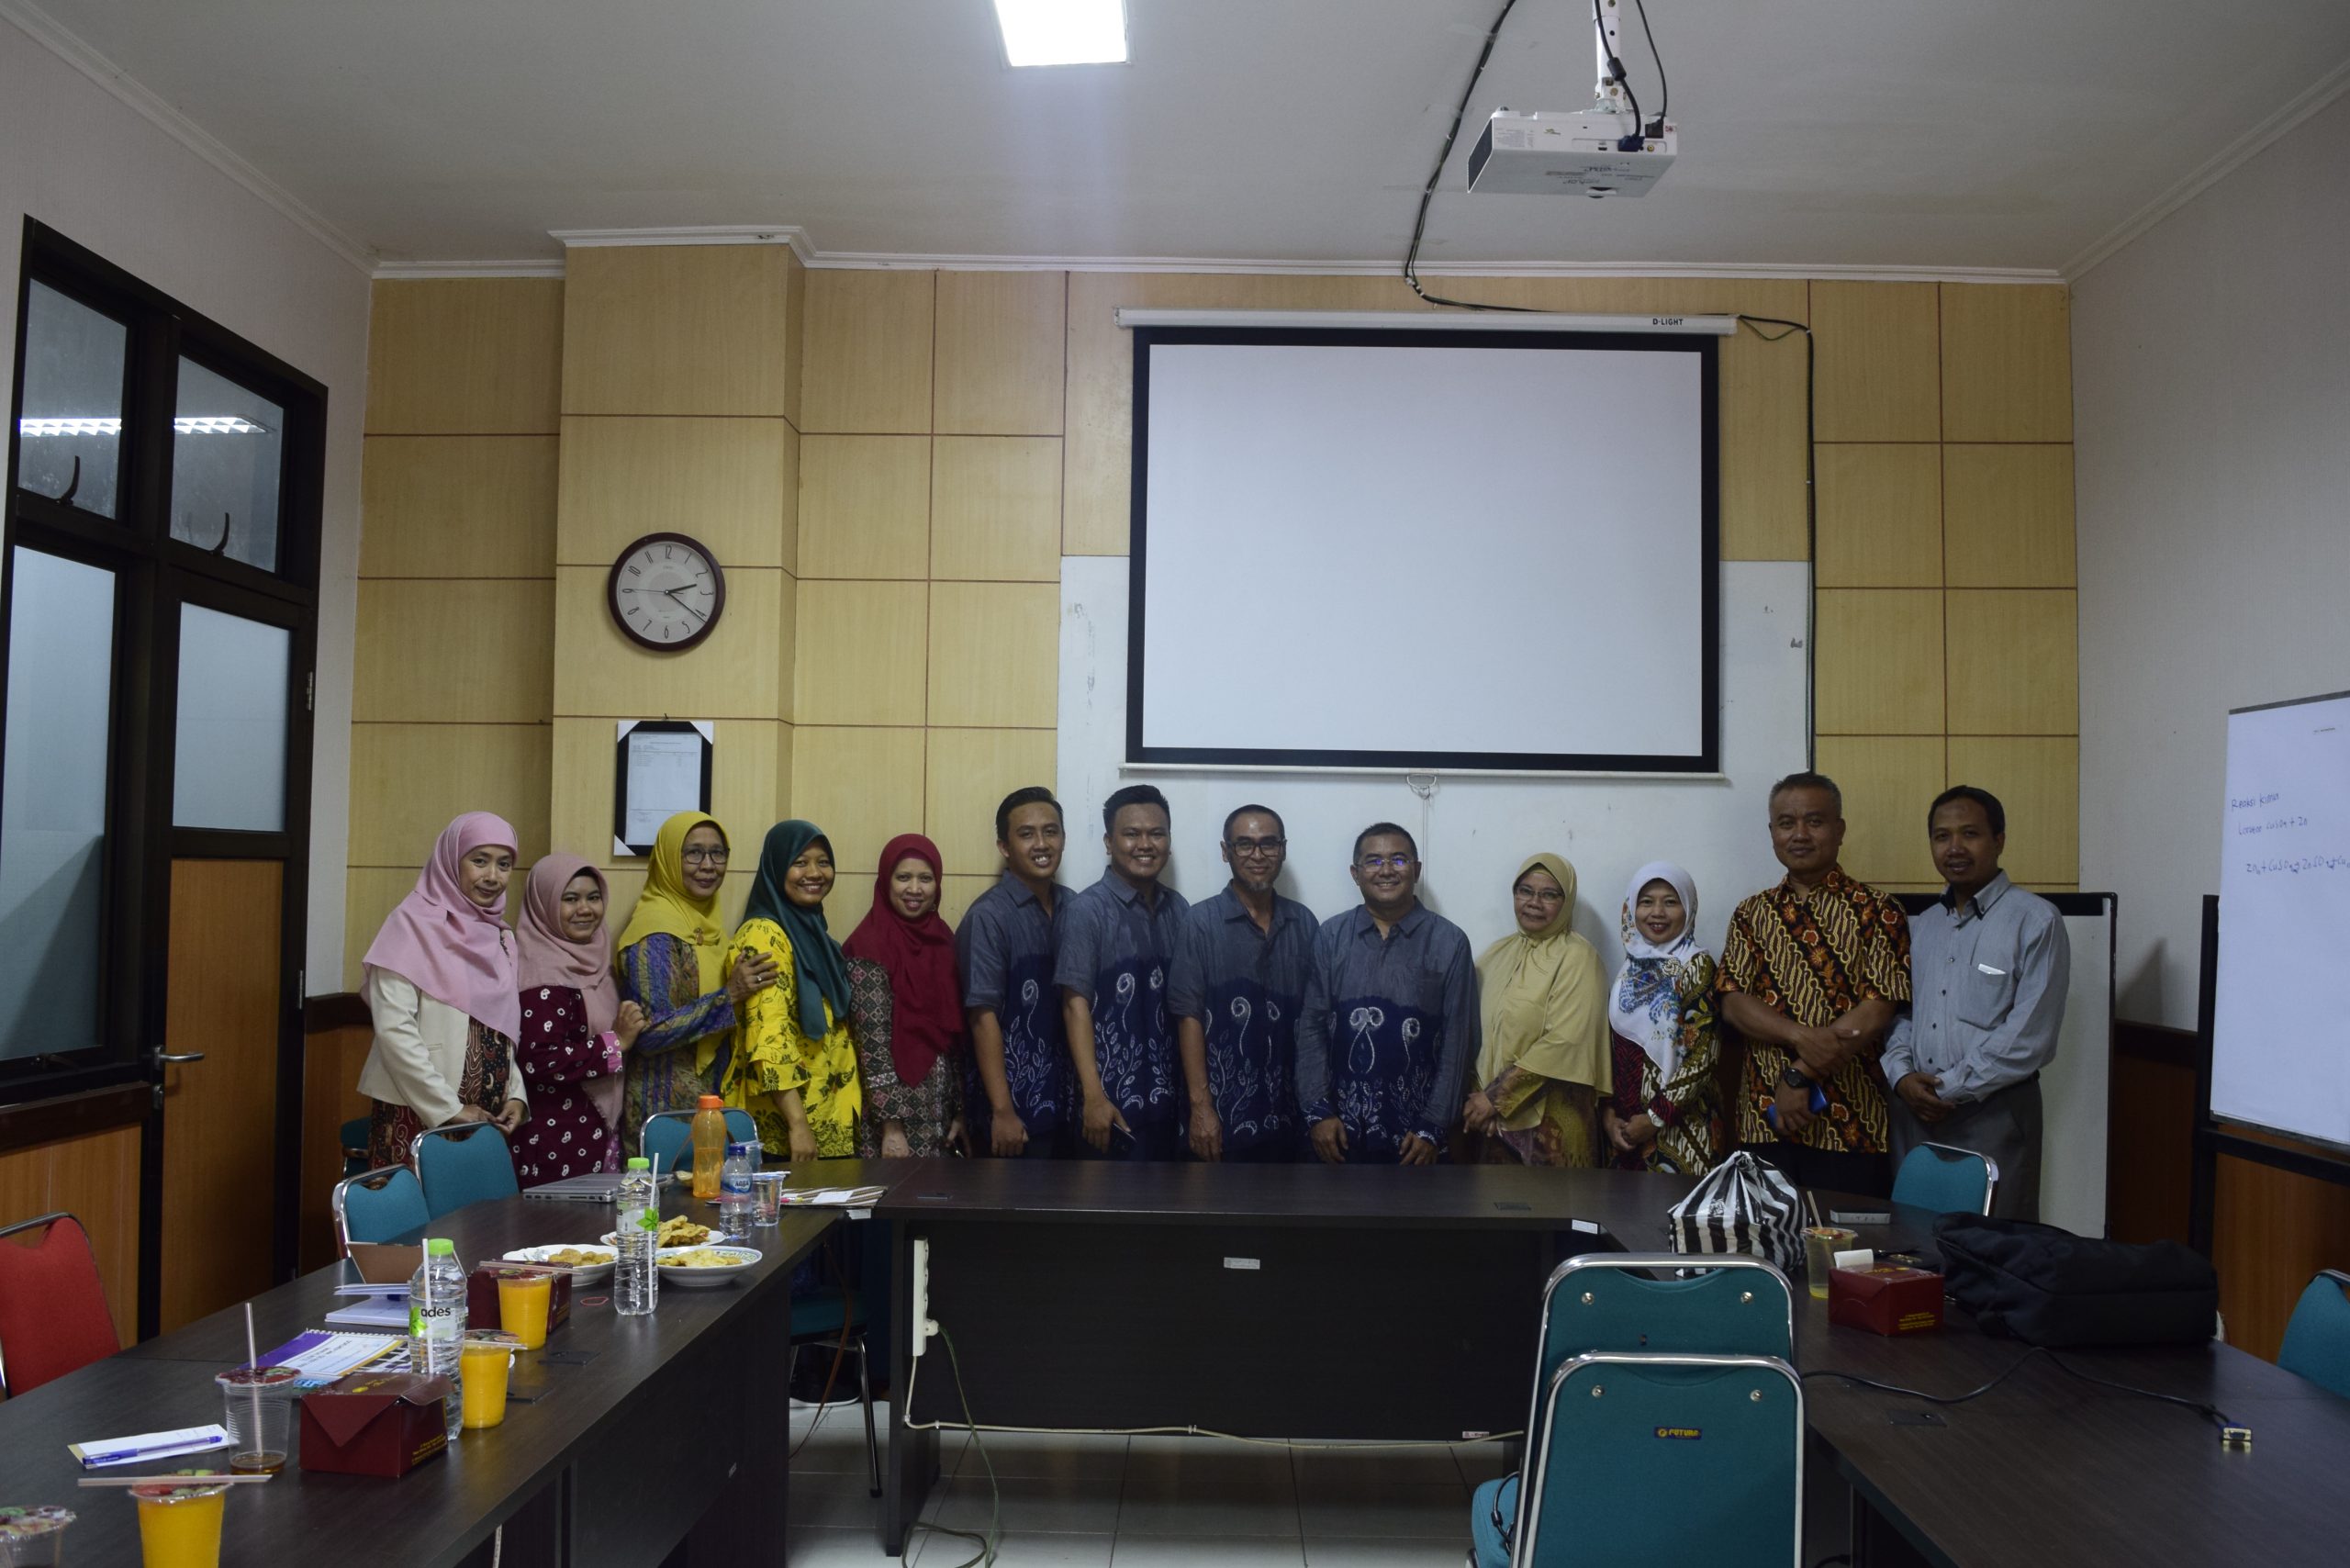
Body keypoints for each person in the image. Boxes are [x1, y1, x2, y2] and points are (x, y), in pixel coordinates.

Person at [1717, 772, 1912, 1196]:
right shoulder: (1752, 913)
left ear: (1839, 829)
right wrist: (1800, 1037)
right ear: (1772, 832)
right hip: (1765, 1118)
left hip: (1854, 1122)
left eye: (1815, 821)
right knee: (1765, 1235)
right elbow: (1732, 1002)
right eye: (1787, 823)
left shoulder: (1879, 910)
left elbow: (1878, 1009)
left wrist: (1798, 1076)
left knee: (1849, 1239)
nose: (1800, 834)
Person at [1880, 786, 2070, 1220]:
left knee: (1995, 1243)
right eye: (1941, 836)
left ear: (1999, 840)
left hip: (1994, 1111)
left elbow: (2031, 1036)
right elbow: (1904, 1013)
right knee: (1915, 1238)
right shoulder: (1924, 925)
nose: (1955, 848)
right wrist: (1902, 1075)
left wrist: (1948, 1087)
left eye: (1970, 834)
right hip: (1916, 1112)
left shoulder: (2036, 920)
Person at [1296, 823, 1479, 1166]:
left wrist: (1433, 1125)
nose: (1386, 870)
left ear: (1416, 870)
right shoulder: (1331, 936)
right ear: (1355, 874)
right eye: (1374, 861)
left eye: (1398, 860)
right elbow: (1311, 1028)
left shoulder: (1449, 941)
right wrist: (1318, 1112)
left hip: (1417, 1141)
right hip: (1338, 1136)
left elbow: (1459, 1039)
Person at [356, 812, 529, 1169]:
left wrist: (515, 1094)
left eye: (504, 864)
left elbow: (502, 1027)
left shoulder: (501, 937)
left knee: (483, 1207)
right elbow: (394, 1031)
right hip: (415, 1113)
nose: (492, 876)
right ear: (451, 860)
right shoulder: (409, 926)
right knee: (415, 1206)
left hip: (485, 1120)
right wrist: (448, 1108)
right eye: (479, 861)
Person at [614, 812, 777, 1158]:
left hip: (709, 1104)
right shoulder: (654, 933)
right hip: (663, 1111)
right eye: (693, 853)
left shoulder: (709, 927)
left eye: (718, 853)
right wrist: (729, 996)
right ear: (669, 859)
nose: (708, 865)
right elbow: (650, 1033)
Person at [1168, 804, 1315, 1162]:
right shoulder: (1200, 922)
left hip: (1292, 1118)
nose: (1258, 855)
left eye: (1269, 844)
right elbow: (1188, 1017)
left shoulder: (1304, 923)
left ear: (1283, 849)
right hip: (1221, 1120)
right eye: (1245, 844)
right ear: (1226, 851)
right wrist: (1201, 1108)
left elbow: (1316, 1023)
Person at [1058, 784, 1191, 1159]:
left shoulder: (1179, 909)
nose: (1145, 844)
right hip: (1109, 1111)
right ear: (1108, 842)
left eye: (1157, 833)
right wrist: (1093, 1096)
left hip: (1168, 1108)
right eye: (1132, 834)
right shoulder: (1086, 911)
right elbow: (1073, 1006)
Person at [723, 820, 862, 1161]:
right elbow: (769, 1039)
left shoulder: (814, 934)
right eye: (800, 862)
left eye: (823, 862)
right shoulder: (763, 936)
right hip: (783, 1131)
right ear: (776, 868)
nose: (814, 873)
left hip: (825, 1114)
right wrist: (798, 1124)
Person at [509, 855, 650, 1186]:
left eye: (593, 897)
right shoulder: (540, 974)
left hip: (597, 1129)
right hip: (555, 1138)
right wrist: (615, 1043)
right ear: (544, 904)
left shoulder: (598, 959)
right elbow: (539, 1059)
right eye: (570, 899)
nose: (585, 909)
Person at [1462, 854, 1611, 1167]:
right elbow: (1472, 1032)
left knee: (1551, 1200)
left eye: (1549, 895)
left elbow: (1565, 1041)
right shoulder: (1495, 955)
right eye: (1525, 891)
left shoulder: (1579, 958)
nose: (1534, 903)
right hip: (1491, 1126)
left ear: (1566, 902)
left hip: (1552, 1128)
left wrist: (1495, 1099)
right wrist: (1480, 1101)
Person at [957, 787, 1071, 1158]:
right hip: (1013, 1115)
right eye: (1026, 834)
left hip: (1068, 1108)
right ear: (1004, 847)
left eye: (1051, 832)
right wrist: (1002, 1111)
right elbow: (981, 1017)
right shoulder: (988, 917)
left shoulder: (1075, 906)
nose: (1042, 844)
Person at [845, 833, 967, 1158]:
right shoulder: (868, 945)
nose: (915, 889)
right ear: (886, 881)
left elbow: (954, 1037)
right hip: (892, 1125)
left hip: (940, 1116)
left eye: (925, 878)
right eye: (903, 878)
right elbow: (872, 1046)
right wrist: (891, 1127)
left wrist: (960, 1109)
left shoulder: (944, 940)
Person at [1601, 862, 1727, 1174]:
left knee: (1674, 1207)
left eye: (1670, 902)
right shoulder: (1628, 969)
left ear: (1688, 908)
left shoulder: (1696, 966)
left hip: (1681, 1132)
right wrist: (1609, 1116)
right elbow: (1612, 1047)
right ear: (1632, 908)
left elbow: (1703, 1057)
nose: (1657, 912)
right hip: (1625, 1132)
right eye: (1646, 902)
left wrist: (1655, 1117)